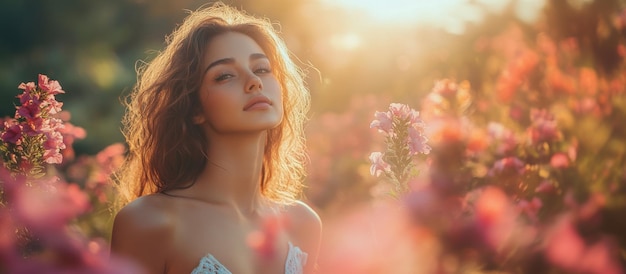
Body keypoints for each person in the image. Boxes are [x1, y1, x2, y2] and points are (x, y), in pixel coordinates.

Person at [110, 2, 321, 274]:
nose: (254, 81)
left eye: (261, 69)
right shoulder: (150, 222)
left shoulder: (303, 223)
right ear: (195, 108)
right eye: (225, 76)